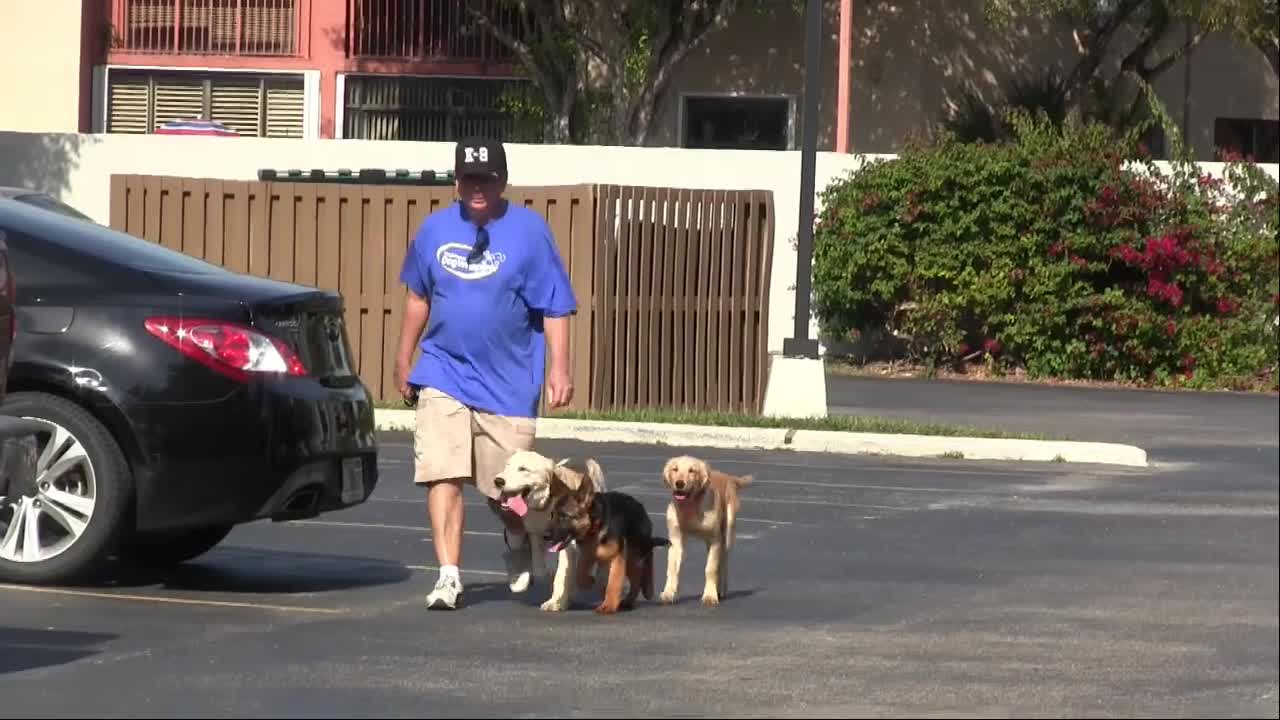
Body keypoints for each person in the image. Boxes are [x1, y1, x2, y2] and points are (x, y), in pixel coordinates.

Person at [395, 136, 577, 611]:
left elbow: (554, 305)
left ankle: (517, 539)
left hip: (509, 383)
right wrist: (403, 358)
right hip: (443, 371)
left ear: (503, 182)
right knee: (442, 473)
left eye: (488, 178)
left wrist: (560, 367)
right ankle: (449, 576)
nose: (479, 187)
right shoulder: (434, 230)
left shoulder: (530, 232)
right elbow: (418, 297)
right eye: (470, 178)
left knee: (509, 499)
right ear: (457, 181)